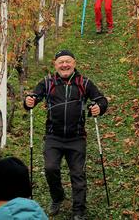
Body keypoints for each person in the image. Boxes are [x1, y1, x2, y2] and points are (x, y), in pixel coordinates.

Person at [24, 50, 108, 220]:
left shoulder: (84, 82)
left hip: (76, 137)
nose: (65, 65)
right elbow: (33, 98)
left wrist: (99, 107)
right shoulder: (47, 82)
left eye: (68, 61)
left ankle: (78, 210)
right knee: (50, 168)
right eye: (61, 62)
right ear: (55, 65)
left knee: (77, 173)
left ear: (74, 63)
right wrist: (29, 101)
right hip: (53, 137)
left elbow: (101, 100)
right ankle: (57, 197)